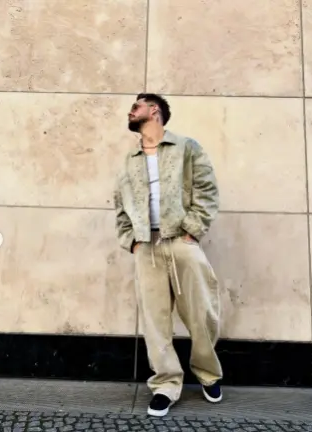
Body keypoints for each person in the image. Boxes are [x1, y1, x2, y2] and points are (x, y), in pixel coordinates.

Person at [114, 93, 224, 417]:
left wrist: (192, 230)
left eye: (136, 106)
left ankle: (208, 373)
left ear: (154, 111)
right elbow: (120, 204)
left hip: (181, 242)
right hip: (146, 248)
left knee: (202, 314)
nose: (130, 111)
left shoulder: (187, 147)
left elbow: (207, 190)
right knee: (155, 321)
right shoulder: (130, 159)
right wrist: (131, 241)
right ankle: (166, 384)